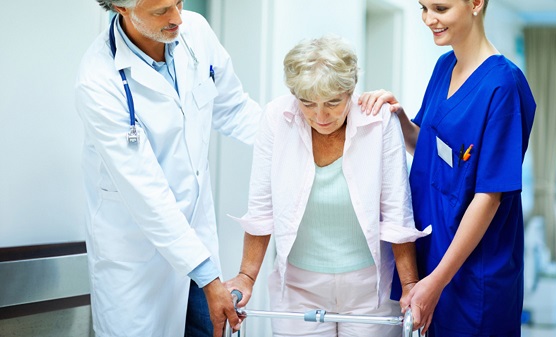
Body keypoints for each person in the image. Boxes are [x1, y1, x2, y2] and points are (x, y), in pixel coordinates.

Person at [75, 1, 262, 336]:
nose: (177, 18)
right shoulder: (98, 80)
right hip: (137, 261)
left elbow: (234, 109)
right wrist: (207, 276)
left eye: (178, 2)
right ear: (121, 7)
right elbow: (147, 194)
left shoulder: (196, 31)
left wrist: (307, 131)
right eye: (161, 10)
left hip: (197, 238)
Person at [224, 35, 431, 336]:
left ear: (351, 90)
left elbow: (397, 213)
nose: (320, 116)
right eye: (308, 103)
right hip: (298, 286)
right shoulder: (276, 117)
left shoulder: (377, 120)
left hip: (368, 287)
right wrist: (246, 276)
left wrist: (410, 286)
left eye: (333, 102)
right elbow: (261, 207)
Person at [359, 0, 536, 336]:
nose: (429, 19)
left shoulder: (504, 86)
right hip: (431, 259)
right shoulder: (444, 67)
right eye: (423, 8)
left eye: (440, 8)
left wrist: (436, 282)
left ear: (475, 4)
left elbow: (489, 196)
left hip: (473, 276)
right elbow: (428, 148)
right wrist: (398, 118)